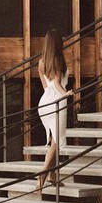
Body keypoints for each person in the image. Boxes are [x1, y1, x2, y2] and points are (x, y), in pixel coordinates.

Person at [36, 29, 73, 192]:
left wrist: (51, 94)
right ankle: (42, 177)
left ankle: (52, 175)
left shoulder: (41, 62)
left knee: (54, 140)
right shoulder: (58, 60)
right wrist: (66, 94)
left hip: (45, 102)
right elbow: (57, 83)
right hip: (57, 101)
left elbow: (46, 85)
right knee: (57, 142)